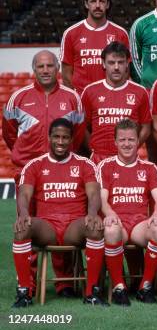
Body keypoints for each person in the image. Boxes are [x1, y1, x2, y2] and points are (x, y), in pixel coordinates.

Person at [3, 50, 84, 297]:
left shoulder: (72, 98)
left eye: (50, 65)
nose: (46, 70)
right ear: (34, 69)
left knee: (62, 226)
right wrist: (25, 160)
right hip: (28, 172)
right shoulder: (18, 98)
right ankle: (28, 285)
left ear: (57, 67)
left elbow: (78, 134)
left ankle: (64, 284)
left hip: (62, 173)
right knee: (26, 225)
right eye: (41, 66)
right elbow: (9, 133)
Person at [98, 119, 157, 305]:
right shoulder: (106, 166)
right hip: (117, 221)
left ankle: (145, 286)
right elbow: (102, 199)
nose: (127, 144)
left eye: (131, 140)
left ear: (138, 142)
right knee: (111, 231)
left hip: (139, 223)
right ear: (115, 142)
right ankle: (119, 287)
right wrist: (109, 213)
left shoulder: (149, 167)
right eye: (123, 140)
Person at [12, 118, 106, 308]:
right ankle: (24, 292)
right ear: (49, 137)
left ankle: (91, 292)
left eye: (65, 137)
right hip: (48, 228)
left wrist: (92, 212)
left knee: (95, 228)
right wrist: (23, 213)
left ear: (72, 139)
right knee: (22, 228)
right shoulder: (35, 165)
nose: (61, 142)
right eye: (56, 137)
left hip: (74, 226)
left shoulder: (84, 164)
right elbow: (24, 194)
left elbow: (94, 193)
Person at [81, 42, 151, 163]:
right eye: (111, 63)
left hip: (129, 159)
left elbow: (146, 126)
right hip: (99, 158)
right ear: (103, 64)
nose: (116, 67)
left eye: (121, 62)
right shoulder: (90, 91)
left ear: (127, 63)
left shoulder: (140, 92)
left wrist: (132, 147)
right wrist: (92, 149)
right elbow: (82, 126)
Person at [60, 0, 129, 94]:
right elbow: (66, 74)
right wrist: (75, 98)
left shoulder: (120, 33)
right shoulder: (71, 33)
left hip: (110, 99)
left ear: (107, 4)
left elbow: (125, 71)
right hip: (81, 100)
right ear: (86, 4)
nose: (97, 6)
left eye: (102, 1)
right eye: (93, 1)